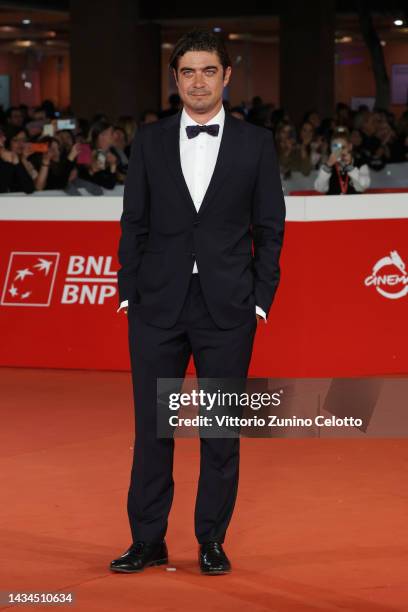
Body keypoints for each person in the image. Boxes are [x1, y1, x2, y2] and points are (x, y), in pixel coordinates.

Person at [111, 29, 285, 576]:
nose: (198, 82)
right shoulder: (150, 140)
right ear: (175, 80)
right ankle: (147, 540)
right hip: (157, 305)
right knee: (152, 430)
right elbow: (133, 220)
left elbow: (271, 227)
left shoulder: (256, 144)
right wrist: (128, 289)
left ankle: (211, 538)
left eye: (209, 71)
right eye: (187, 72)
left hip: (228, 308)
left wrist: (260, 298)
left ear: (227, 76)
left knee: (219, 431)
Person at [314, 126, 370, 194]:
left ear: (350, 146)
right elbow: (319, 188)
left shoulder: (360, 163)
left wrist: (350, 168)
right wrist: (328, 166)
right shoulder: (326, 166)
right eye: (335, 147)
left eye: (342, 147)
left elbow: (364, 186)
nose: (339, 151)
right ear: (331, 148)